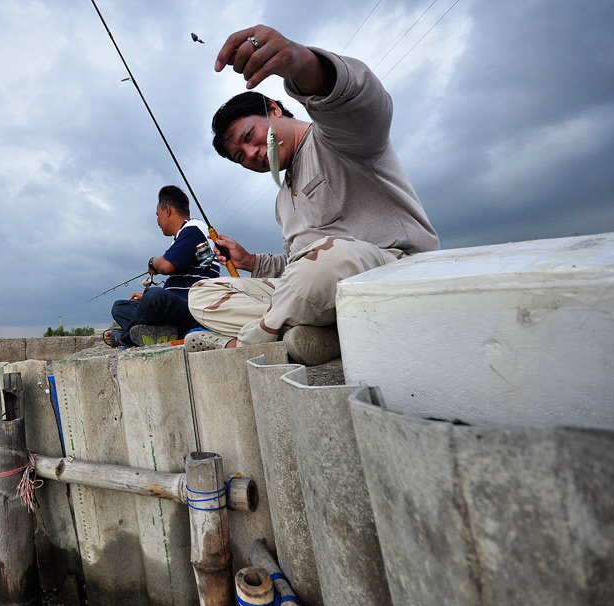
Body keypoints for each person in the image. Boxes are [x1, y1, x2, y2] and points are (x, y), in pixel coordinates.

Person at [186, 25, 440, 364]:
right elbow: (294, 265)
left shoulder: (339, 137)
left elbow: (363, 102)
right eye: (240, 156)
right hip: (313, 290)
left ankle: (245, 344)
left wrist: (302, 64)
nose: (252, 153)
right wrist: (252, 262)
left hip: (388, 273)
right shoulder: (282, 200)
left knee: (328, 257)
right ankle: (313, 336)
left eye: (250, 136)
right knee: (202, 294)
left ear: (274, 108)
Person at [105, 185, 220, 347]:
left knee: (154, 296)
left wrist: (152, 262)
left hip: (194, 311)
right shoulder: (183, 236)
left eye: (158, 215)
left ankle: (125, 338)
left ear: (167, 209)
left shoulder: (194, 228)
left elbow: (165, 266)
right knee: (120, 307)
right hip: (176, 313)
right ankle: (159, 334)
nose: (158, 221)